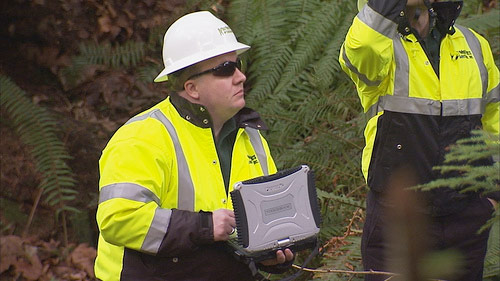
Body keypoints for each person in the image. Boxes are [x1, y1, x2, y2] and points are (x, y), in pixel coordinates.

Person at [94, 11, 294, 281]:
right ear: (192, 88)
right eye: (225, 69)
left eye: (239, 64)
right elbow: (118, 220)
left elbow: (260, 227)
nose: (240, 77)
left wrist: (269, 255)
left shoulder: (250, 137)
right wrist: (204, 226)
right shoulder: (142, 137)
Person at [339, 0, 499, 280]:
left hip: (466, 218)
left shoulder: (473, 45)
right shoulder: (381, 48)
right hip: (395, 220)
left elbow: (494, 122)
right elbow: (361, 48)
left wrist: (492, 196)